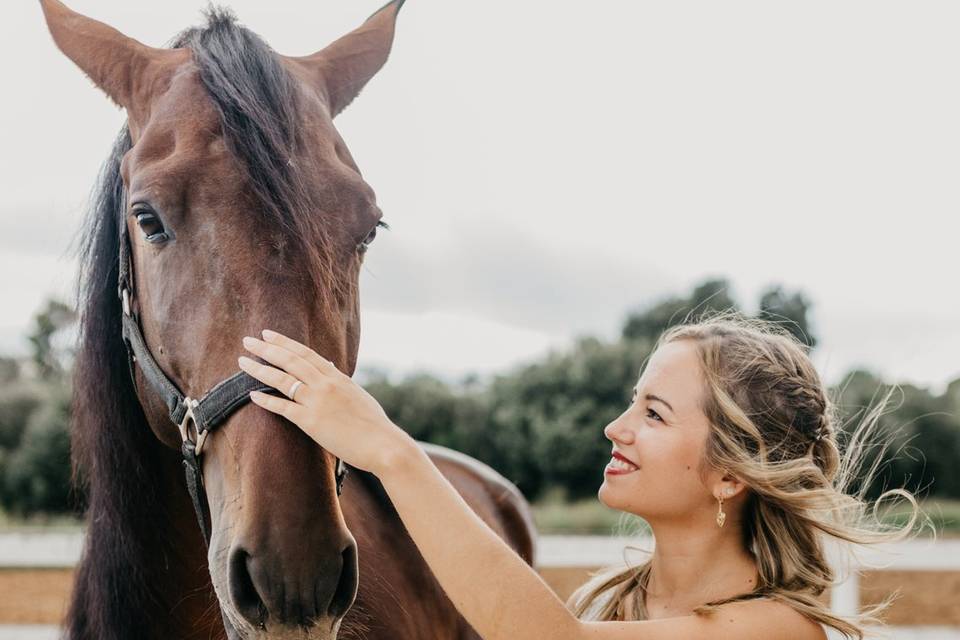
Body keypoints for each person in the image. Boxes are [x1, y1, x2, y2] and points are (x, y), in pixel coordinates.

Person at [237, 312, 928, 640]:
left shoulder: (778, 630)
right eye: (631, 401)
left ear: (729, 475)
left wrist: (390, 450)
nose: (615, 428)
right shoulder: (614, 604)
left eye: (653, 414)